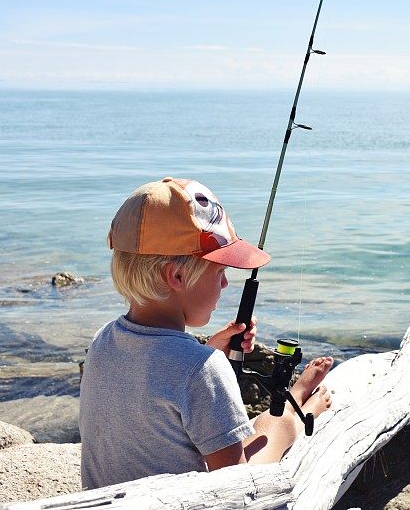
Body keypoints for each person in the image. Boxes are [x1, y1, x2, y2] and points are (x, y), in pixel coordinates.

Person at [79, 177, 333, 489]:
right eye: (220, 272)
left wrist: (209, 352)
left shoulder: (102, 340)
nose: (225, 284)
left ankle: (296, 400)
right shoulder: (202, 371)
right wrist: (206, 363)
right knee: (273, 426)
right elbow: (236, 488)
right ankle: (300, 403)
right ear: (177, 275)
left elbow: (155, 392)